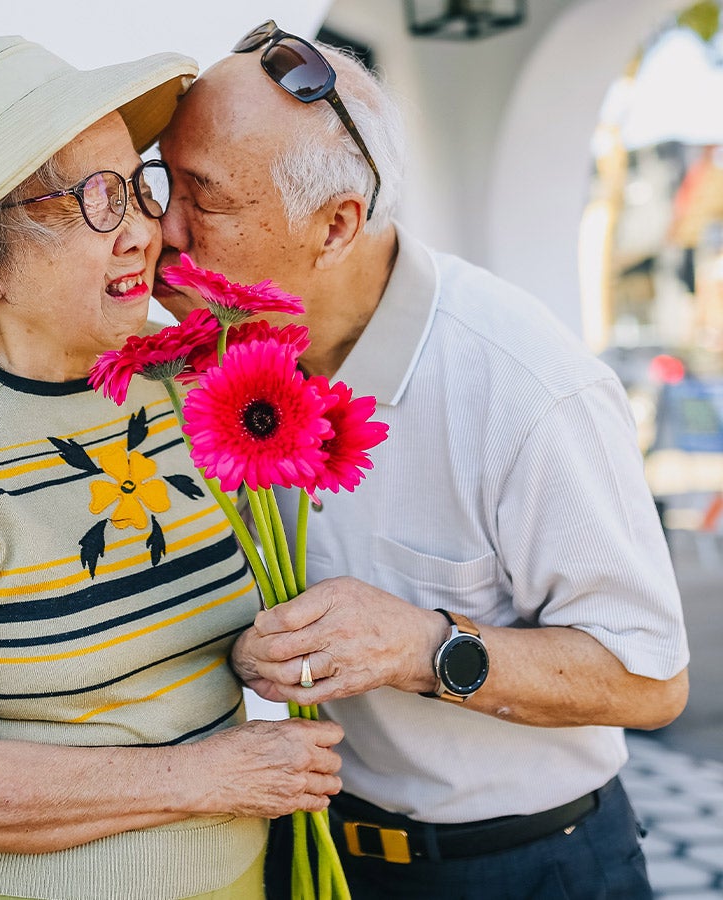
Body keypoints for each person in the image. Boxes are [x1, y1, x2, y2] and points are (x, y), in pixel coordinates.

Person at [153, 20, 690, 899]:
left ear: (335, 226)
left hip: (527, 869)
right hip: (309, 859)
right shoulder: (196, 362)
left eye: (203, 199)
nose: (163, 232)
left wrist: (424, 648)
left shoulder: (524, 384)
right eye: (160, 182)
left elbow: (651, 676)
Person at [0, 35, 345, 900]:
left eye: (136, 183)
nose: (141, 229)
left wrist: (267, 650)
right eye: (94, 200)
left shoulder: (182, 377)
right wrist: (201, 779)